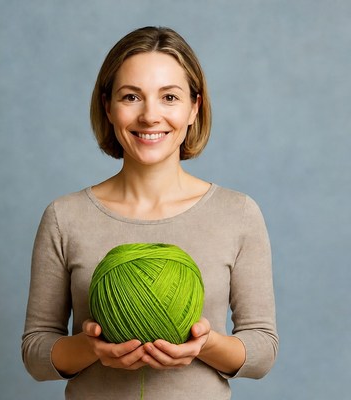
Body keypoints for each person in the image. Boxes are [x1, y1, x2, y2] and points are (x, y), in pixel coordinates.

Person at [22, 26, 278, 399]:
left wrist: (204, 345)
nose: (150, 116)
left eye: (169, 97)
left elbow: (262, 348)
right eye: (131, 97)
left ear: (195, 107)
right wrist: (91, 348)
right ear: (108, 106)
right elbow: (35, 351)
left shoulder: (237, 213)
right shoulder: (65, 216)